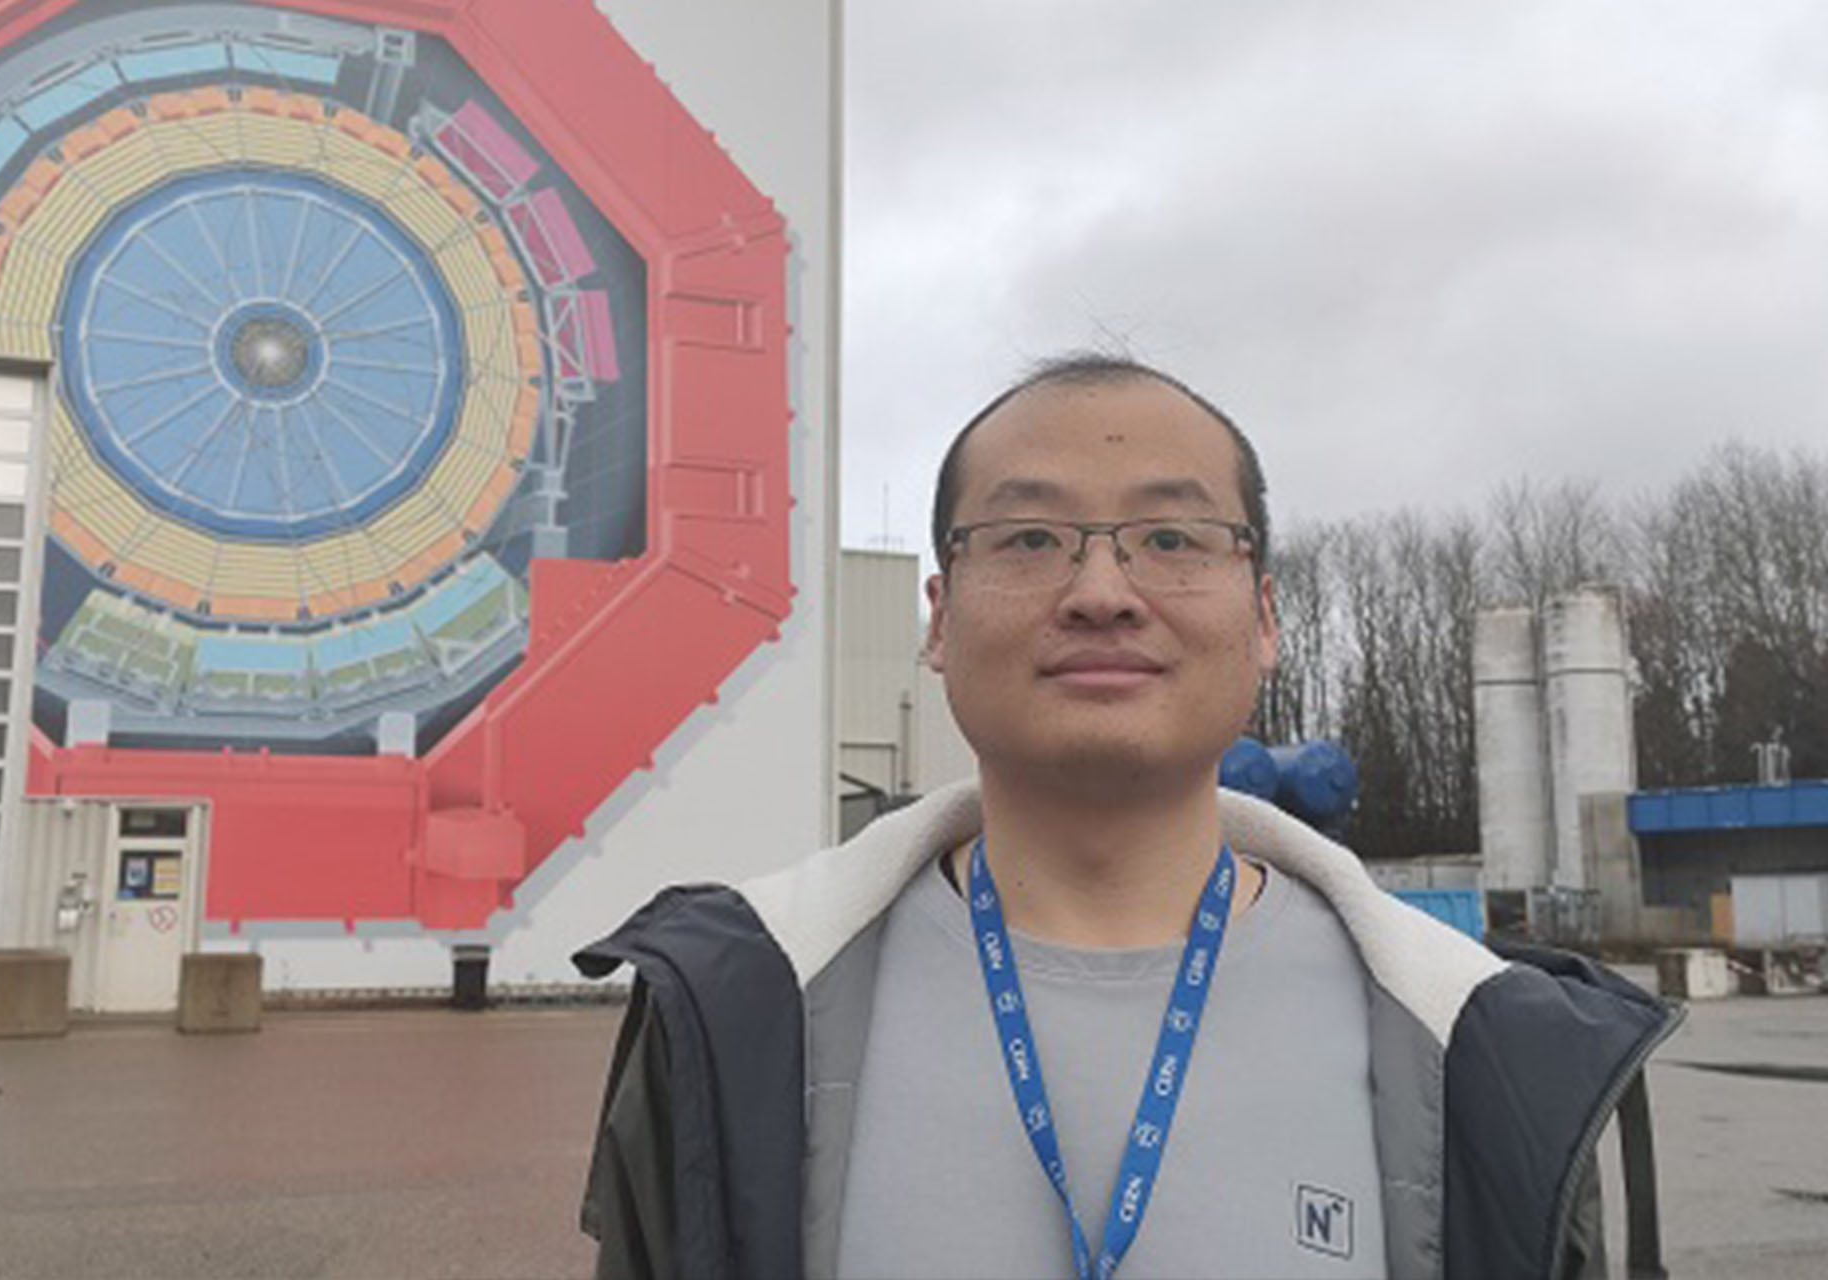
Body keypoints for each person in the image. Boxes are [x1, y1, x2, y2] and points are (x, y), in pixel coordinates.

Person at [576, 354, 1680, 1280]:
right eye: (1027, 538)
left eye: (1172, 537)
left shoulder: (1485, 1047)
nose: (1102, 589)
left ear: (1263, 620)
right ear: (939, 620)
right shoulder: (734, 1018)